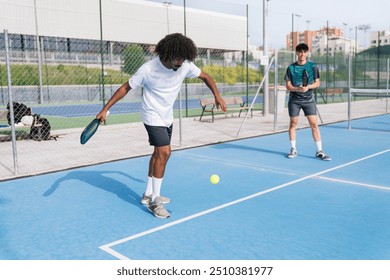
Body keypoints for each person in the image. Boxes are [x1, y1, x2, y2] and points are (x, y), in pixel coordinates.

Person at [96, 33, 227, 218]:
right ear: (166, 54)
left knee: (158, 153)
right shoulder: (148, 69)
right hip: (151, 115)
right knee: (165, 152)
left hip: (167, 116)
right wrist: (105, 110)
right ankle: (155, 201)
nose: (180, 63)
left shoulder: (185, 65)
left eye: (183, 59)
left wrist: (217, 96)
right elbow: (125, 88)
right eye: (177, 59)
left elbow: (206, 77)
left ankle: (148, 193)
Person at [284, 43, 331, 161]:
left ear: (307, 53)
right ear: (297, 53)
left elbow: (317, 83)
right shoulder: (291, 68)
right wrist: (297, 88)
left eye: (304, 51)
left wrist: (308, 87)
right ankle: (293, 149)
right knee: (293, 124)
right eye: (300, 51)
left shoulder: (313, 66)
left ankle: (319, 151)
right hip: (294, 100)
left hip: (308, 100)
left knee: (314, 124)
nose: (302, 54)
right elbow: (288, 86)